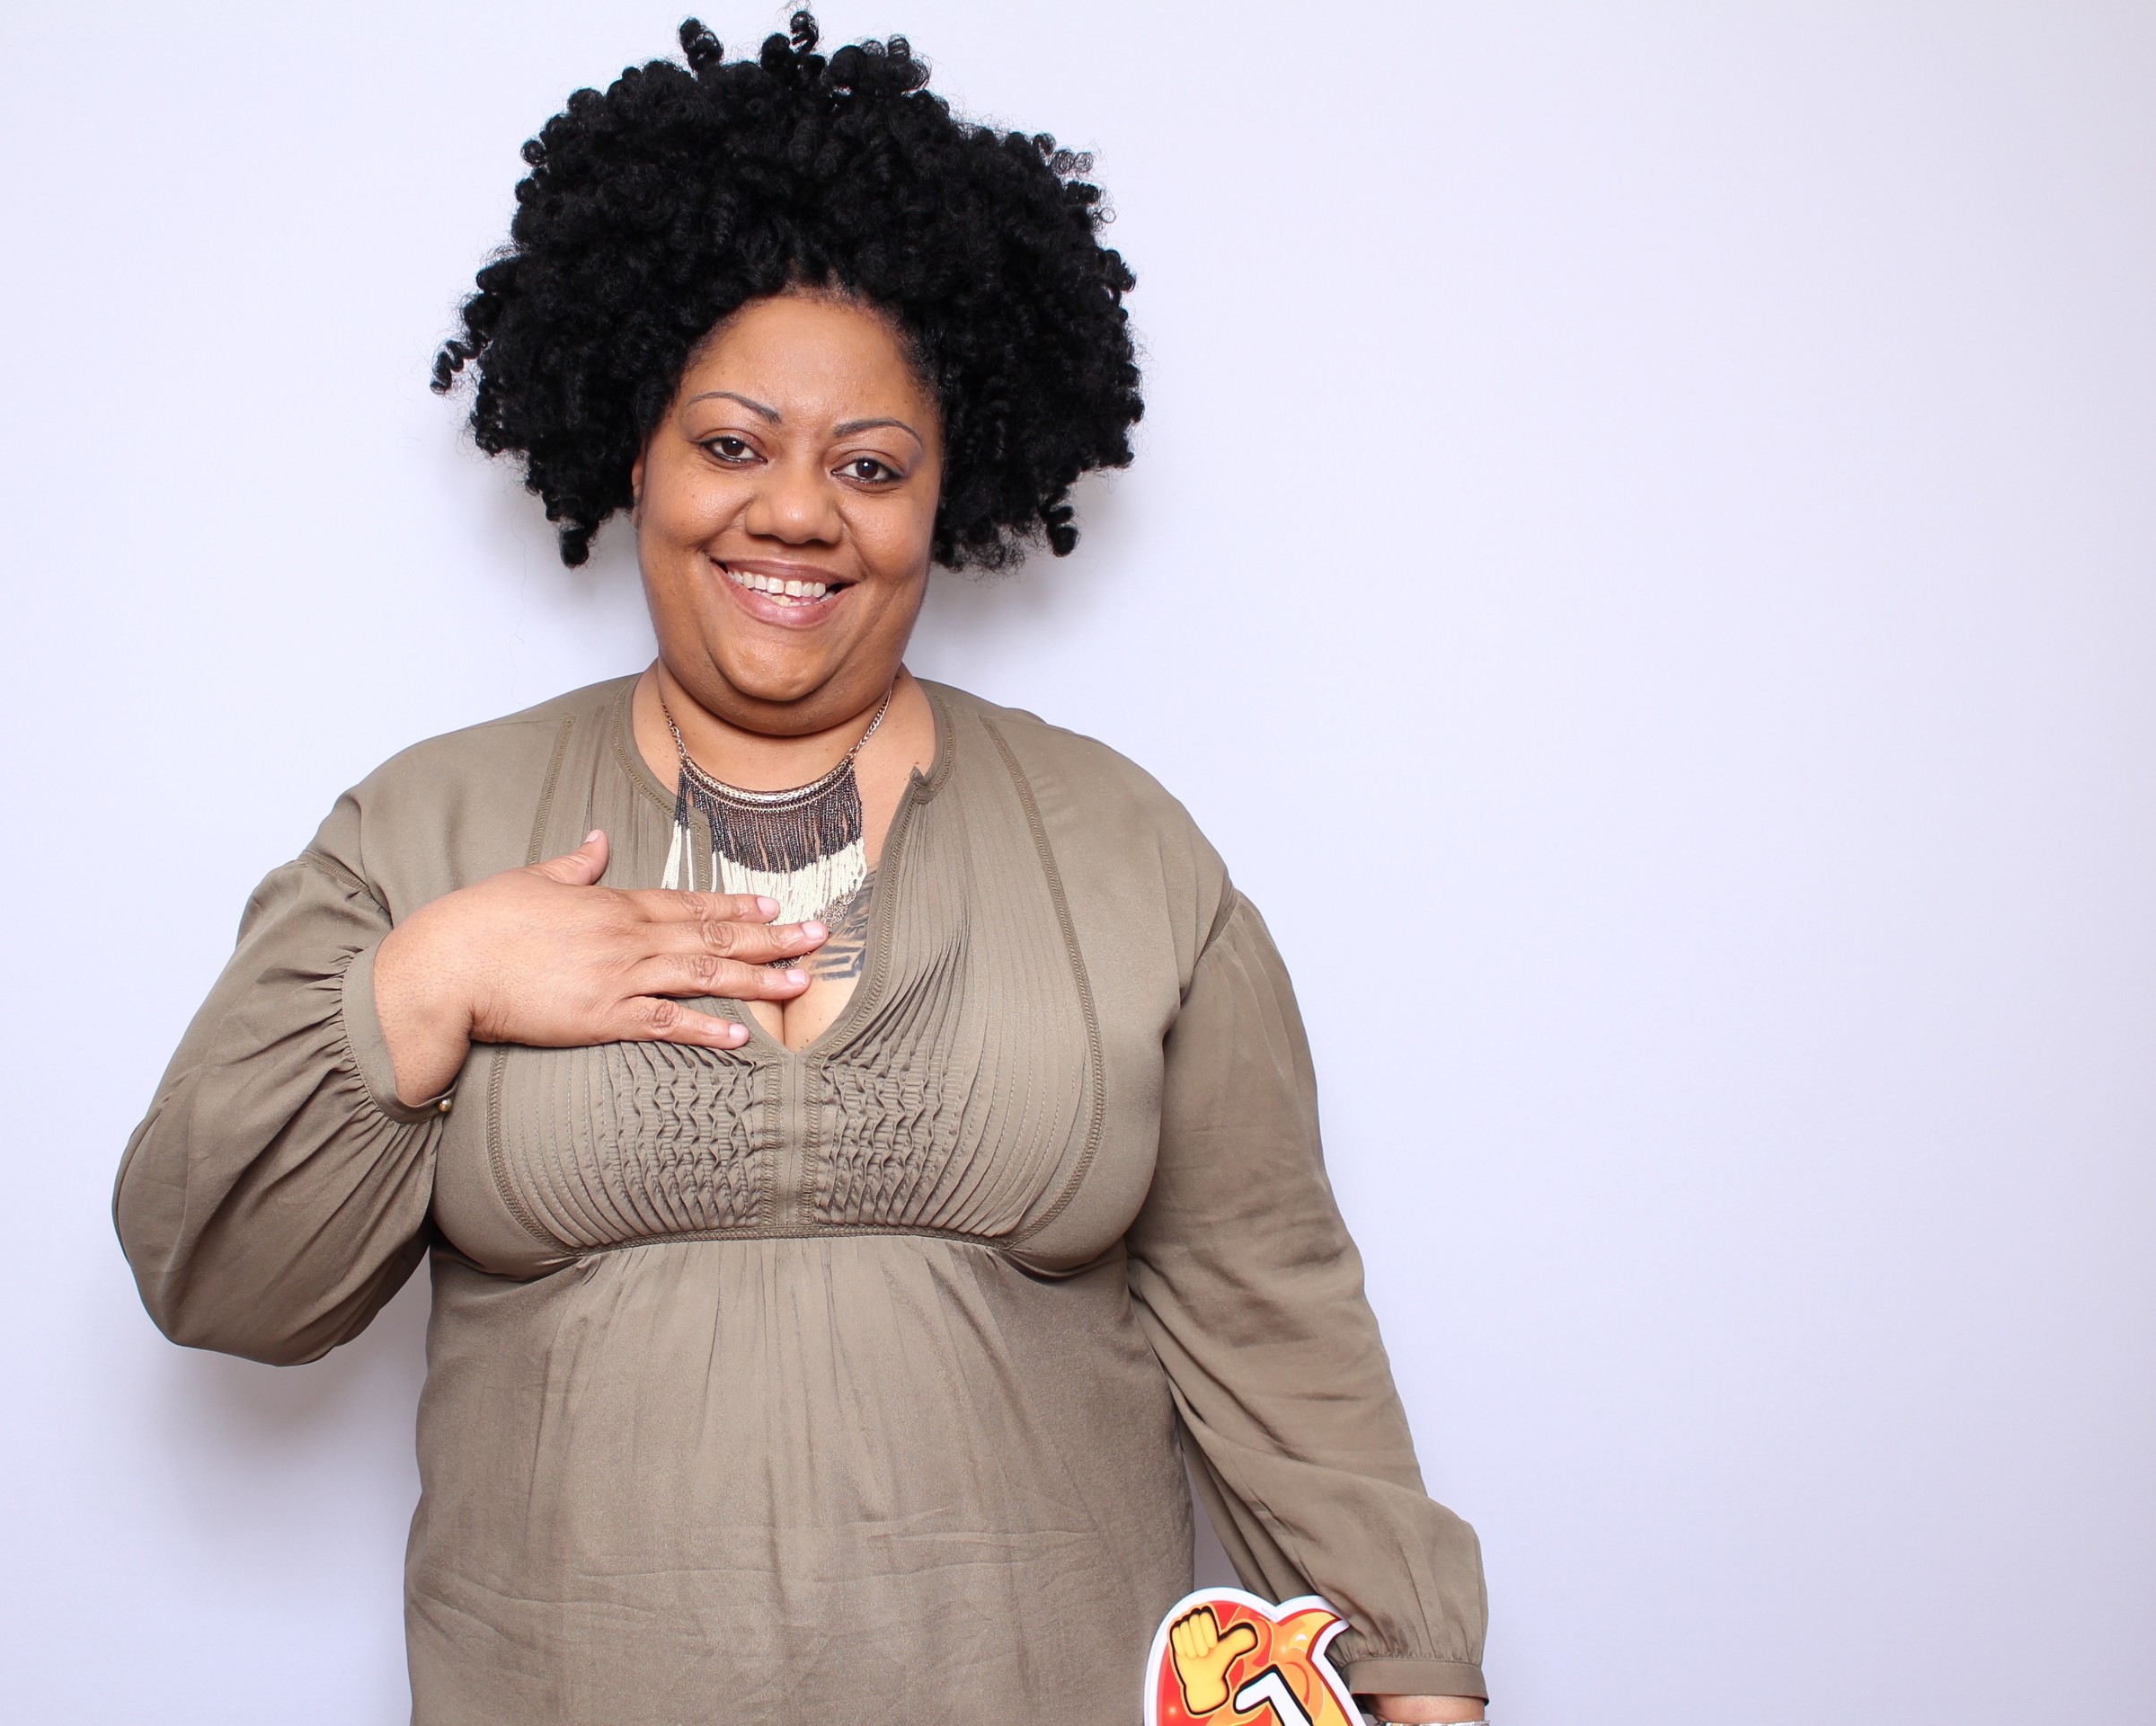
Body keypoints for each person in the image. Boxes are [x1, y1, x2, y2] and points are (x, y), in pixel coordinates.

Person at [114, 15, 1488, 1723]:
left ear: (944, 498)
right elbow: (221, 1280)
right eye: (732, 444)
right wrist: (433, 979)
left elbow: (1277, 1322)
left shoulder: (1126, 849)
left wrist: (1417, 1679)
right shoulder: (423, 831)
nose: (797, 514)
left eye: (870, 466)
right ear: (636, 452)